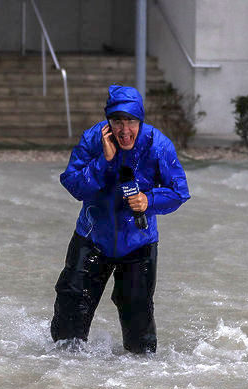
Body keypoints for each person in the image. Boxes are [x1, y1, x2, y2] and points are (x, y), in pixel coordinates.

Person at [50, 84, 190, 354]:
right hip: (92, 238)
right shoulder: (93, 139)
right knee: (68, 327)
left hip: (138, 244)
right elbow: (73, 185)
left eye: (131, 121)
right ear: (108, 121)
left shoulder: (158, 145)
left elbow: (179, 192)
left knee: (140, 338)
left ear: (140, 120)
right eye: (117, 121)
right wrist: (104, 160)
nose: (124, 130)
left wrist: (149, 200)